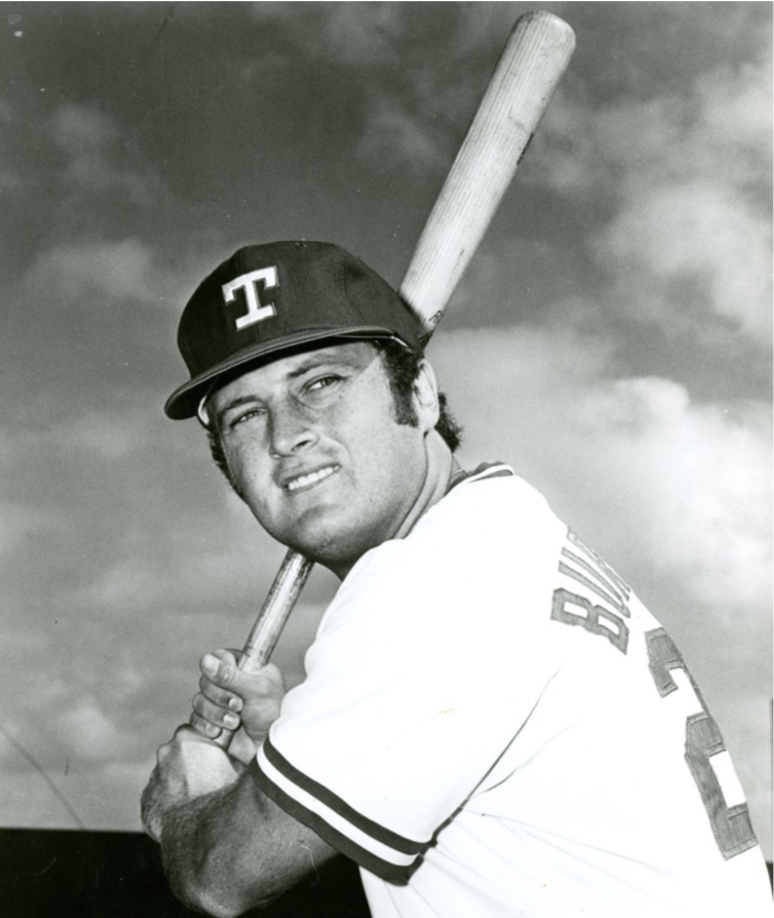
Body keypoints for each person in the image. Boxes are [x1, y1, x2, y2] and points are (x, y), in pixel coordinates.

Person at [141, 240, 771, 917]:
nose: (286, 434)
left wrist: (184, 803)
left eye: (320, 382)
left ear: (420, 393)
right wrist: (285, 744)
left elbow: (219, 876)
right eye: (244, 414)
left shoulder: (430, 583)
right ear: (228, 467)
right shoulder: (503, 528)